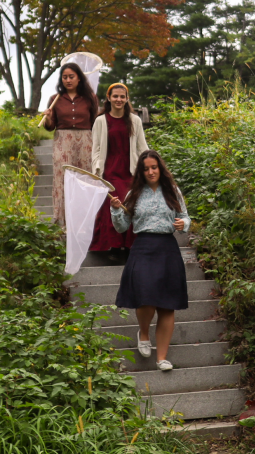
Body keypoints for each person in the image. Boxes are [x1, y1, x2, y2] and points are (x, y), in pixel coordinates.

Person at [110, 150, 190, 371]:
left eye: (154, 167)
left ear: (160, 168)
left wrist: (184, 224)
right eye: (146, 169)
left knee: (167, 305)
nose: (151, 171)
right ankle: (143, 334)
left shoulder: (172, 191)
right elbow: (121, 227)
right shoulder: (133, 194)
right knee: (145, 296)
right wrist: (116, 210)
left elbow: (184, 216)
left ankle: (161, 358)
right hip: (143, 247)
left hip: (167, 248)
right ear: (141, 172)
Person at [89, 83, 148, 255]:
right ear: (109, 98)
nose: (119, 99)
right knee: (114, 204)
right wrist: (96, 170)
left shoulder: (135, 120)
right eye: (115, 96)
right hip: (109, 171)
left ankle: (130, 246)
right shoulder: (100, 121)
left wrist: (149, 168)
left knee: (130, 203)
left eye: (122, 97)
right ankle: (113, 246)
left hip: (130, 171)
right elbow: (96, 149)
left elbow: (142, 147)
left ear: (127, 99)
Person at [42, 63, 99, 227]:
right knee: (62, 178)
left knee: (85, 178)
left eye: (71, 76)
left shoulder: (90, 98)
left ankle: (86, 221)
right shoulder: (55, 99)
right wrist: (47, 118)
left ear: (79, 78)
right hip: (63, 141)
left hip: (86, 141)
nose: (68, 80)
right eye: (64, 77)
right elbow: (50, 126)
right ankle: (61, 221)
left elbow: (96, 122)